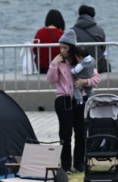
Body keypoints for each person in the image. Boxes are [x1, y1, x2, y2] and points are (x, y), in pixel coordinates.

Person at [47, 41, 88, 174]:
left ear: (71, 49)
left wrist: (85, 82)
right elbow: (51, 80)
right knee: (65, 133)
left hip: (80, 98)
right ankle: (65, 165)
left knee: (81, 132)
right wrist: (54, 63)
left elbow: (95, 76)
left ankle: (79, 163)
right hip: (63, 98)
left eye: (65, 47)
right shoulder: (58, 62)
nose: (62, 50)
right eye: (60, 47)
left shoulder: (81, 61)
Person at [62, 6, 108, 73]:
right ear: (93, 16)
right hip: (97, 66)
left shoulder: (72, 31)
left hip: (78, 67)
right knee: (107, 64)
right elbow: (103, 48)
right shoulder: (99, 30)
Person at [33, 10, 66, 74]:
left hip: (41, 67)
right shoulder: (61, 34)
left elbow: (34, 50)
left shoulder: (39, 32)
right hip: (58, 67)